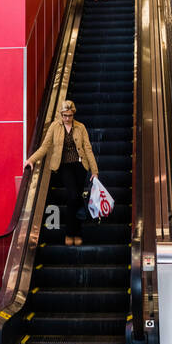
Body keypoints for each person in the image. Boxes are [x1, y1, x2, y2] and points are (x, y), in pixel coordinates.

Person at [25, 100, 99, 245]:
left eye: (70, 115)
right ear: (60, 114)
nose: (67, 118)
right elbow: (45, 146)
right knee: (72, 196)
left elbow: (88, 149)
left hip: (80, 166)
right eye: (64, 115)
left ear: (73, 114)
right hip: (64, 167)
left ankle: (76, 232)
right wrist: (32, 160)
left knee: (76, 198)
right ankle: (70, 232)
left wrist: (94, 171)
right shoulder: (54, 126)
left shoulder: (80, 127)